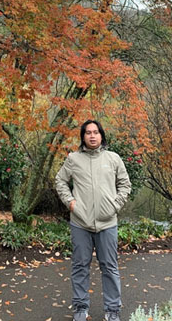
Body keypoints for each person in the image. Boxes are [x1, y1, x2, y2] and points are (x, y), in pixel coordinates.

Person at [54, 120, 132, 321]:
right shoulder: (73, 159)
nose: (92, 136)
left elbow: (125, 184)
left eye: (96, 132)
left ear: (101, 135)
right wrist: (71, 203)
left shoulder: (113, 158)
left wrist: (115, 205)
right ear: (83, 137)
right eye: (88, 132)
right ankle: (80, 309)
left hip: (107, 223)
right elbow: (60, 181)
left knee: (110, 266)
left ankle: (112, 310)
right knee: (80, 266)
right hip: (80, 223)